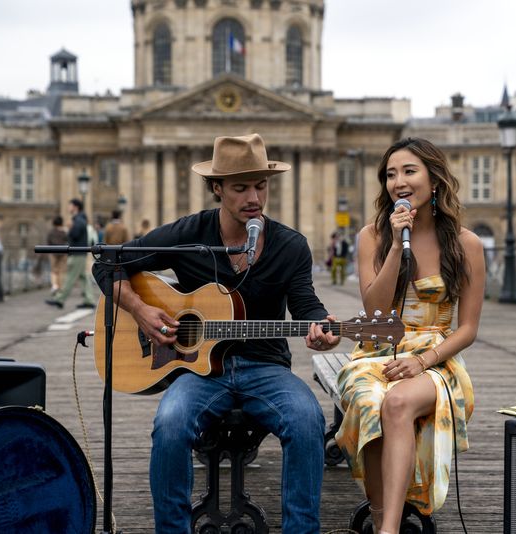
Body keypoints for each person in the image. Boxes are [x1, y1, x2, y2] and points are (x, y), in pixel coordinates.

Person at [92, 133, 338, 533]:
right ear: (216, 189)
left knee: (307, 419)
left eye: (260, 185)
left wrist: (324, 329)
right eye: (240, 187)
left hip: (266, 365)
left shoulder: (290, 245)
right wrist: (140, 311)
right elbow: (107, 264)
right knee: (169, 424)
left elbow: (307, 306)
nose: (253, 197)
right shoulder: (190, 234)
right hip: (199, 372)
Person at [334, 137, 485, 533]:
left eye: (409, 171)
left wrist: (421, 360)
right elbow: (373, 312)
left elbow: (468, 328)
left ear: (434, 180)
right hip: (376, 350)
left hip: (436, 358)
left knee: (398, 404)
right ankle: (387, 519)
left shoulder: (467, 245)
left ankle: (387, 529)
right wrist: (397, 249)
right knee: (369, 401)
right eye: (390, 174)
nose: (398, 181)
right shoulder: (373, 236)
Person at [45, 199, 96, 310]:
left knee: (70, 277)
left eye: (70, 206)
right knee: (83, 277)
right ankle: (89, 300)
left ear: (75, 207)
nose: (68, 208)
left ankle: (60, 299)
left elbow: (75, 233)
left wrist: (69, 229)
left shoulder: (78, 219)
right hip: (80, 252)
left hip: (77, 252)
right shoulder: (81, 218)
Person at [46, 215, 68, 295]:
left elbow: (48, 241)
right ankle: (61, 287)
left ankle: (54, 286)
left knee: (54, 270)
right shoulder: (64, 232)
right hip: (63, 252)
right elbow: (68, 241)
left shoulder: (51, 232)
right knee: (62, 270)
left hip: (53, 252)